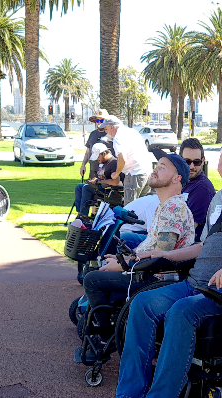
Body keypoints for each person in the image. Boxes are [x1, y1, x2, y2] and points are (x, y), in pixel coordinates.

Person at [93, 133, 222, 398]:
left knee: (182, 312)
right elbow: (202, 246)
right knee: (142, 303)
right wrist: (164, 255)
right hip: (196, 285)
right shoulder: (219, 199)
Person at [81, 154, 194, 310]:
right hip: (146, 271)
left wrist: (124, 265)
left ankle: (104, 329)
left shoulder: (173, 208)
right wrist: (124, 259)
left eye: (162, 167)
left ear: (177, 178)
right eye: (157, 166)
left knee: (92, 279)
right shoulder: (165, 206)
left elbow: (160, 257)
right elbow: (151, 247)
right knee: (101, 268)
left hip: (153, 278)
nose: (155, 170)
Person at [100, 116, 157, 204]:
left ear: (111, 127)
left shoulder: (118, 137)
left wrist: (116, 173)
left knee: (129, 208)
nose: (105, 131)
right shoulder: (132, 131)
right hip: (148, 172)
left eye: (106, 128)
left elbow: (122, 158)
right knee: (142, 207)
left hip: (134, 174)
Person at [178, 138, 216, 242]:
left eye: (197, 162)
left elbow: (187, 230)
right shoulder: (181, 181)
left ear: (203, 161)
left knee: (129, 238)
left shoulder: (202, 188)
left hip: (185, 246)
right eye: (187, 161)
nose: (191, 166)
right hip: (168, 235)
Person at [73, 143, 123, 217]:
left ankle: (84, 216)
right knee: (79, 187)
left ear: (104, 154)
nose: (97, 159)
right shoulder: (102, 163)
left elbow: (116, 182)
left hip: (109, 191)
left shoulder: (113, 163)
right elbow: (101, 177)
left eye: (98, 157)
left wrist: (99, 181)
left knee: (86, 188)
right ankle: (80, 212)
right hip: (101, 187)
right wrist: (94, 180)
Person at [80, 109, 114, 180]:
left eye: (102, 120)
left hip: (106, 172)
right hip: (93, 170)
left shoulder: (111, 134)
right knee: (90, 189)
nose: (99, 123)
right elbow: (88, 151)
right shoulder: (92, 134)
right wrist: (83, 165)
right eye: (97, 121)